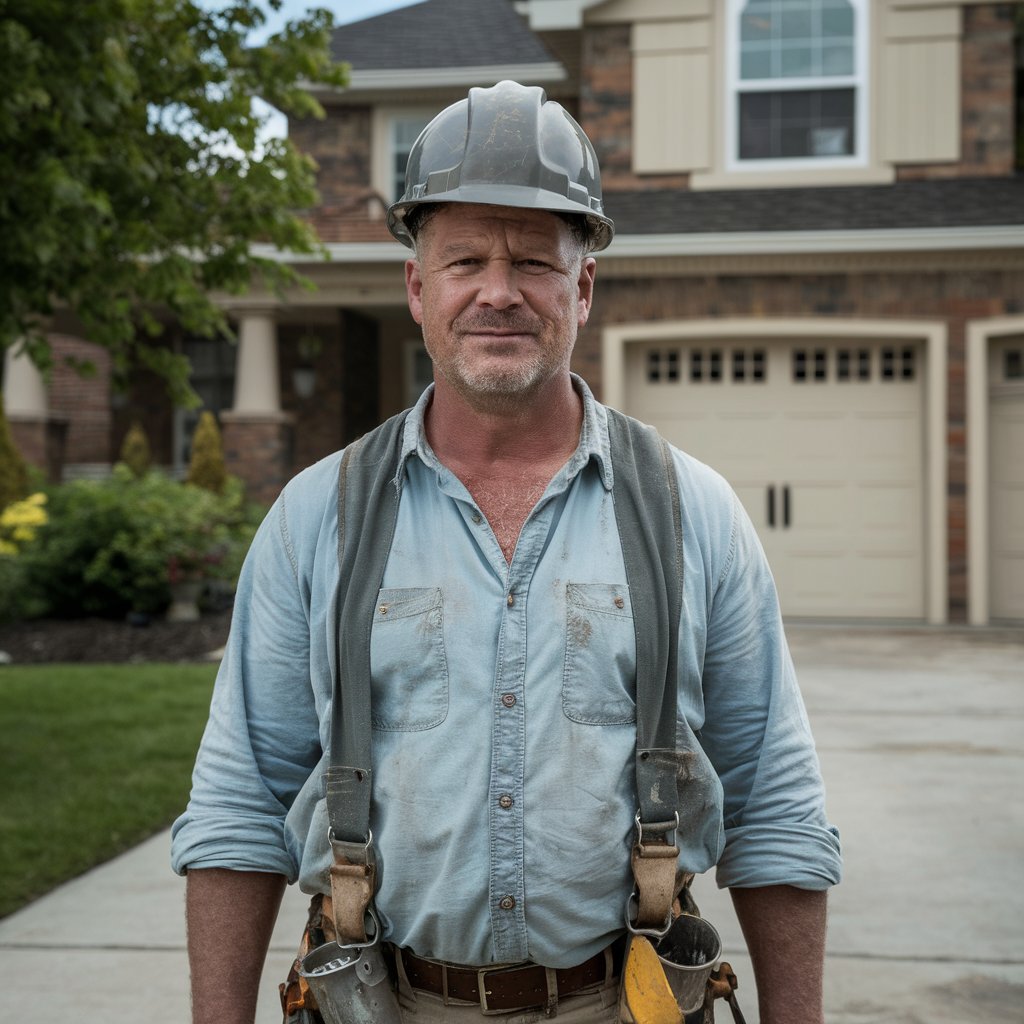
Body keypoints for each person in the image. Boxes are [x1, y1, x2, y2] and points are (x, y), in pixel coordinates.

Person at [171, 80, 841, 1024]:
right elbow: (240, 807)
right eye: (465, 260)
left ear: (584, 288)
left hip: (629, 1002)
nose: (498, 291)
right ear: (417, 288)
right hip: (383, 1001)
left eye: (534, 260)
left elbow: (776, 809)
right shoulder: (313, 517)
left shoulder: (696, 512)